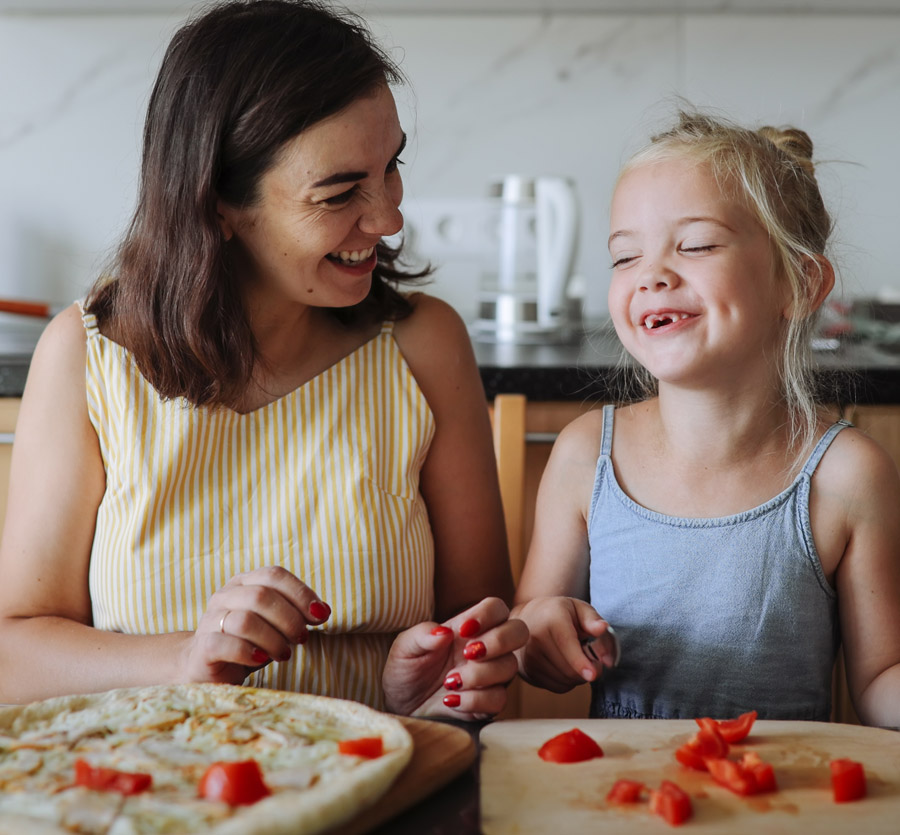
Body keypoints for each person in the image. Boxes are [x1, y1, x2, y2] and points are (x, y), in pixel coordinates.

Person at [0, 0, 526, 719]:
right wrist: (184, 660)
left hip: (387, 782)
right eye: (340, 192)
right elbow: (12, 651)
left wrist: (438, 683)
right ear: (218, 203)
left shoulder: (422, 345)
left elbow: (484, 631)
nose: (388, 217)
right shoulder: (89, 357)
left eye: (391, 167)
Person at [512, 109, 900, 725]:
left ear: (798, 283)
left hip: (782, 804)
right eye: (624, 258)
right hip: (620, 805)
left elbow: (879, 680)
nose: (652, 276)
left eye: (695, 245)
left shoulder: (847, 474)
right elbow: (530, 636)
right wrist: (540, 635)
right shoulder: (587, 453)